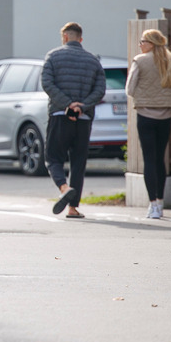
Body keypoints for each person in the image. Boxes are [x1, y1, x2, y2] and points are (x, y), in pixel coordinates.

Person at [41, 22, 106, 218]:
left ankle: (63, 188)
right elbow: (100, 90)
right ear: (81, 39)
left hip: (60, 115)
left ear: (65, 37)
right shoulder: (93, 60)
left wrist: (68, 105)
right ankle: (73, 208)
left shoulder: (53, 56)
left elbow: (47, 84)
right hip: (83, 119)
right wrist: (82, 106)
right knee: (78, 162)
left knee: (53, 158)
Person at [125, 29, 171, 219]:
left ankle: (153, 205)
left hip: (146, 113)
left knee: (149, 158)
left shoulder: (139, 60)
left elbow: (130, 89)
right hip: (166, 114)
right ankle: (161, 201)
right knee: (159, 158)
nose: (140, 45)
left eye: (142, 41)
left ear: (150, 43)